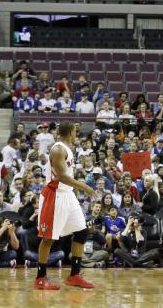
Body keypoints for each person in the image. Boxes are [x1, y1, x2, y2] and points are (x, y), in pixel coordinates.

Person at [34, 121, 96, 290]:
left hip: (67, 195)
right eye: (76, 131)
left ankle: (74, 275)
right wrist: (86, 187)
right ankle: (40, 277)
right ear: (71, 132)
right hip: (55, 195)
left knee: (82, 232)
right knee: (48, 239)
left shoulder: (67, 149)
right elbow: (61, 176)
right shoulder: (58, 149)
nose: (77, 134)